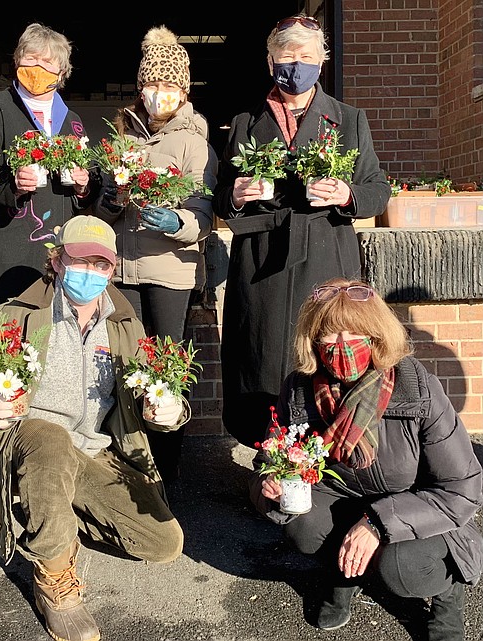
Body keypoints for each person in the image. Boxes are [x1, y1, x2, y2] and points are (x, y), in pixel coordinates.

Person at [0, 215, 186, 641]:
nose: (90, 273)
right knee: (50, 436)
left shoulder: (124, 324)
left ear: (112, 269)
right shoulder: (16, 316)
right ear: (57, 261)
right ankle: (54, 579)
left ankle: (51, 509)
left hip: (94, 449)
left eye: (101, 265)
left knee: (163, 544)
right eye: (80, 261)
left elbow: (153, 386)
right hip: (30, 441)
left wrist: (169, 410)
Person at [249, 277, 483, 640]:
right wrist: (271, 486)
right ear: (313, 340)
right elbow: (268, 458)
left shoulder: (416, 388)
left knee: (402, 567)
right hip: (344, 497)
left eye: (355, 334)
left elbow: (462, 490)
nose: (342, 347)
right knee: (302, 523)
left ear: (377, 335)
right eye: (329, 335)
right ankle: (345, 572)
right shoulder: (299, 389)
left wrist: (376, 523)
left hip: (422, 511)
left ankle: (448, 594)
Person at [212, 14, 391, 447]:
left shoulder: (348, 120)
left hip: (326, 250)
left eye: (305, 57)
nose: (295, 65)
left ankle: (328, 444)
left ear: (322, 61)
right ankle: (266, 447)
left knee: (323, 347)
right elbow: (219, 198)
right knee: (262, 352)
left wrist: (346, 194)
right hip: (261, 257)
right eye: (286, 56)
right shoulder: (242, 123)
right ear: (270, 61)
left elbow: (378, 189)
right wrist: (235, 193)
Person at [92, 25, 218, 481]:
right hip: (124, 271)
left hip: (170, 273)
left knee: (165, 369)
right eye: (151, 84)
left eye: (168, 85)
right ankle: (132, 461)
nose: (157, 93)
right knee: (127, 365)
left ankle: (166, 467)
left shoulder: (194, 143)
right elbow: (103, 210)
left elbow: (205, 216)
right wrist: (111, 201)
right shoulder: (123, 140)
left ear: (182, 90)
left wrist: (177, 223)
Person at [0, 22, 98, 322]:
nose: (38, 67)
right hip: (5, 247)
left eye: (47, 62)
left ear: (62, 73)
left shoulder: (71, 120)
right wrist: (12, 186)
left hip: (55, 253)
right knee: (0, 334)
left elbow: (89, 186)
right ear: (17, 61)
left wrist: (82, 185)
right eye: (31, 58)